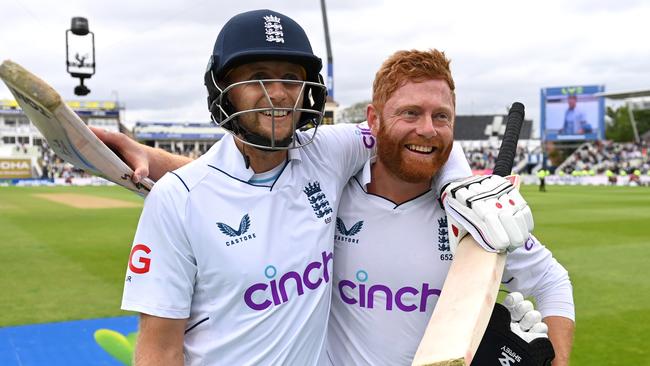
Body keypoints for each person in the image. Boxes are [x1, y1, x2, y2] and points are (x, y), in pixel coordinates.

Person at [94, 18, 553, 365]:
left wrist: (458, 185)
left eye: (290, 79)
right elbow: (158, 350)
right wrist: (153, 160)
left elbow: (419, 137)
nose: (276, 93)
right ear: (224, 89)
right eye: (256, 76)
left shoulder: (328, 152)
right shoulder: (177, 199)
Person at [326, 50, 575, 366]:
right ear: (373, 120)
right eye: (411, 113)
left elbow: (551, 281)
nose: (428, 129)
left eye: (441, 116)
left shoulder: (477, 213)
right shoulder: (332, 199)